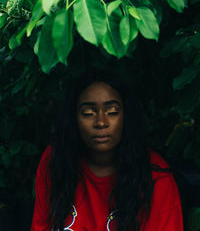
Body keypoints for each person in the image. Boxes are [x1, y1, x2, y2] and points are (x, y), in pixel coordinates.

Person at [31, 70, 183, 231]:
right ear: (74, 119)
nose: (101, 122)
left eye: (112, 112)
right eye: (88, 113)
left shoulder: (156, 177)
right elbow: (40, 226)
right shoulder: (55, 160)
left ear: (126, 117)